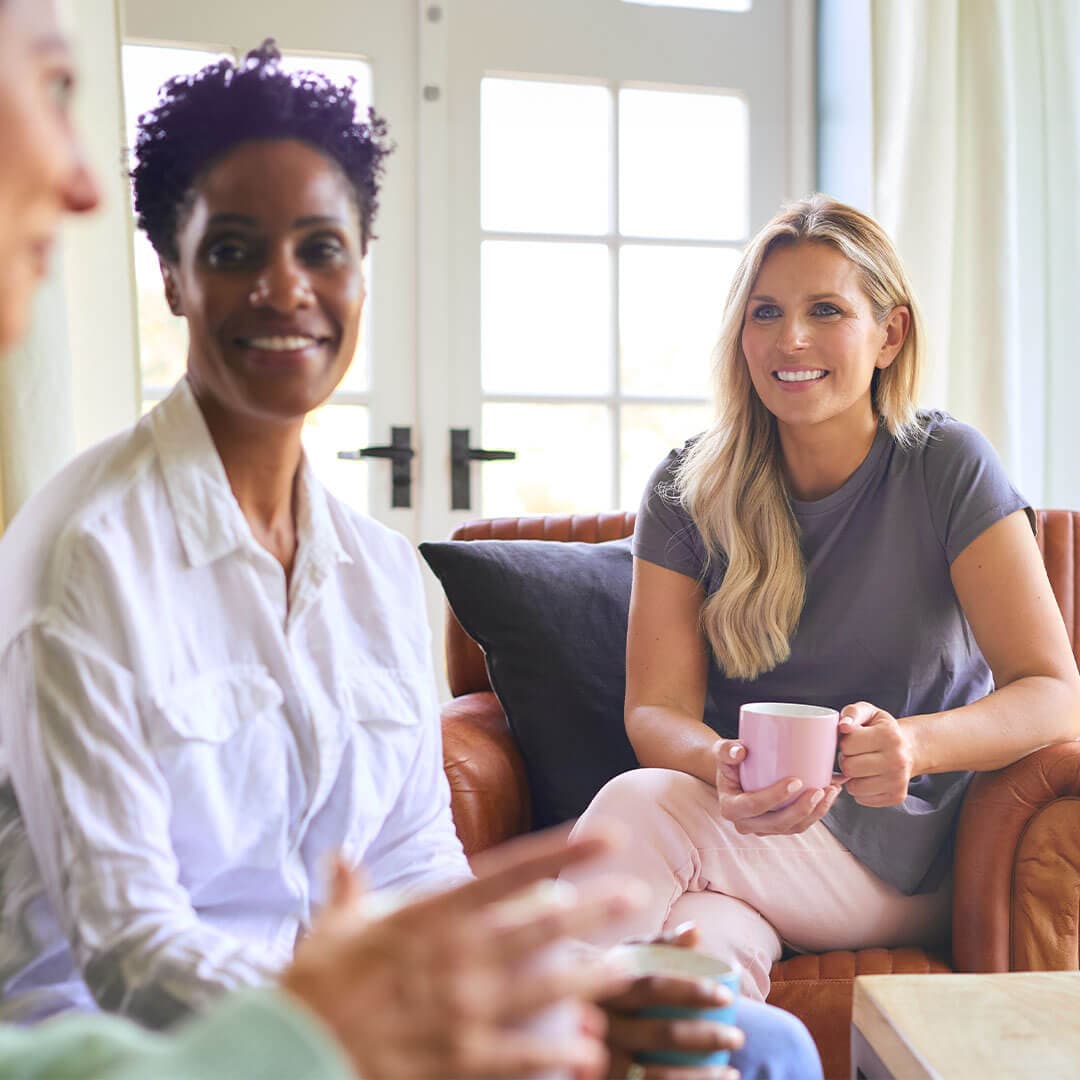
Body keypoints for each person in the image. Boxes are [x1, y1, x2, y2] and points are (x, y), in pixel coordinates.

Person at [0, 15, 821, 1077]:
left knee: (755, 1043)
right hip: (169, 1049)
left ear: (362, 271)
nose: (286, 288)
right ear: (171, 277)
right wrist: (374, 1025)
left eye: (322, 249)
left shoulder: (375, 573)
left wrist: (558, 987)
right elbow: (129, 950)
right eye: (234, 250)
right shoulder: (84, 559)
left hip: (366, 1035)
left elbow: (417, 863)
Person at [559, 193, 1080, 1003]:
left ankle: (530, 1047)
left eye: (826, 310)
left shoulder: (947, 465)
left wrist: (913, 746)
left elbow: (1054, 695)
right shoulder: (686, 487)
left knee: (638, 809)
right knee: (700, 958)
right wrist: (720, 766)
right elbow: (655, 709)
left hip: (909, 855)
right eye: (765, 312)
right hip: (746, 836)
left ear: (890, 334)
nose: (790, 339)